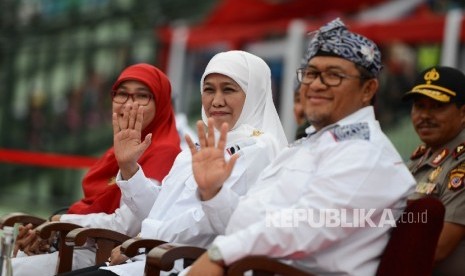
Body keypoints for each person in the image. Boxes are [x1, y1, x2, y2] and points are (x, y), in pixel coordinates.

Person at [186, 18, 416, 276]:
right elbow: (249, 221)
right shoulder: (315, 142)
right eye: (311, 74)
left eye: (333, 76)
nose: (316, 84)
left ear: (368, 89)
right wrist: (214, 192)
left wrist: (220, 254)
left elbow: (306, 227)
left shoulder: (365, 152)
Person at [59, 50, 288, 276]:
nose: (216, 101)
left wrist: (144, 239)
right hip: (145, 260)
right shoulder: (198, 146)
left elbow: (208, 222)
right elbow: (158, 209)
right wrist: (129, 168)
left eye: (228, 89)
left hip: (176, 266)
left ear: (254, 93)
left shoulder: (259, 149)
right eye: (208, 90)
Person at [12, 63, 181, 275]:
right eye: (122, 95)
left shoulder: (164, 151)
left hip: (104, 255)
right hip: (77, 243)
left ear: (161, 103)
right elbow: (91, 206)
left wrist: (59, 223)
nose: (129, 104)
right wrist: (50, 231)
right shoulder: (116, 150)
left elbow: (127, 225)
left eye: (142, 96)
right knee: (10, 255)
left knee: (12, 268)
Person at [402, 65, 465, 276]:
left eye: (437, 106)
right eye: (419, 106)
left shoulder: (461, 165)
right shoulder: (420, 159)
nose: (425, 116)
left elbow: (438, 248)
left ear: (463, 113)